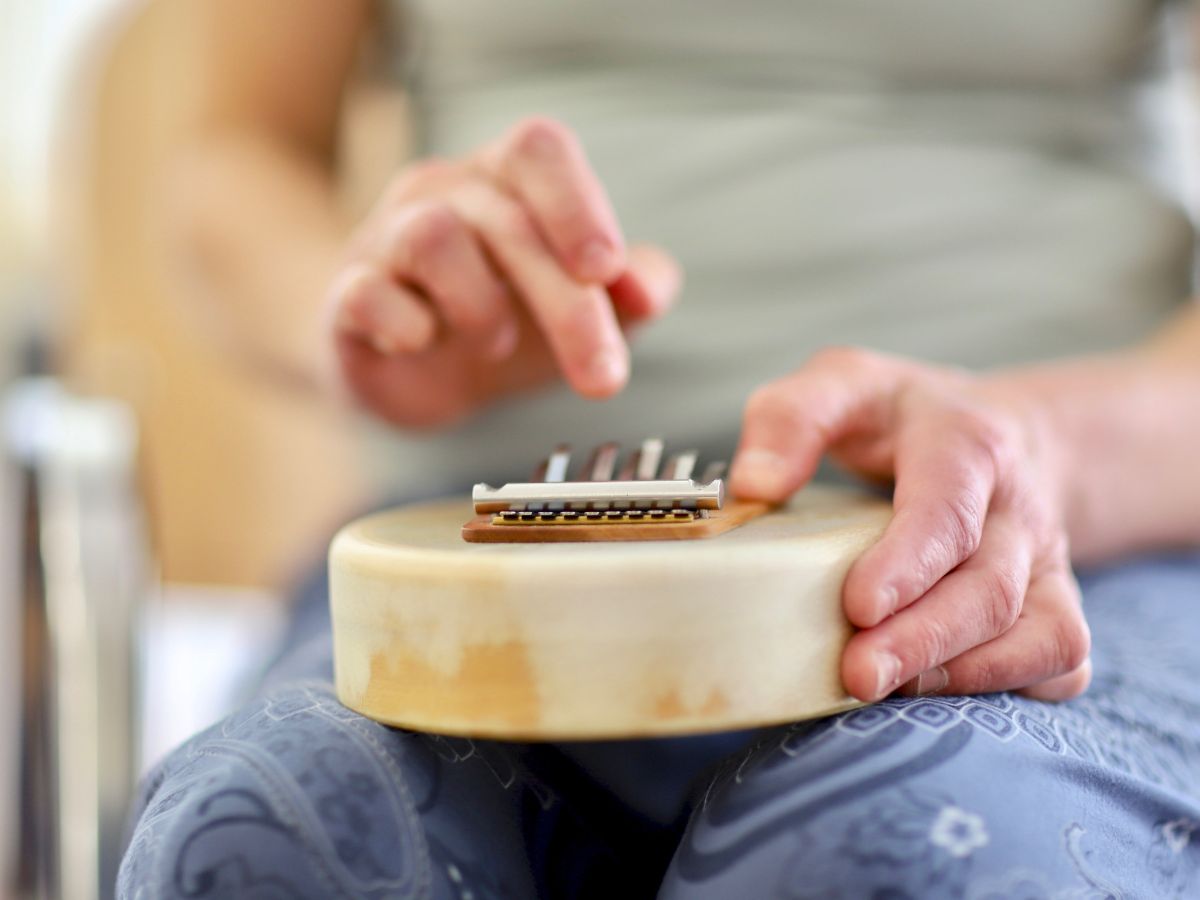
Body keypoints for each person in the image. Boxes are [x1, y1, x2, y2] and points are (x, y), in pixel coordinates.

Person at [119, 1, 1200, 896]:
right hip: (484, 549)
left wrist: (1045, 447)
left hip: (1048, 543)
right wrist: (371, 308)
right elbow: (234, 150)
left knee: (894, 857)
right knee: (270, 835)